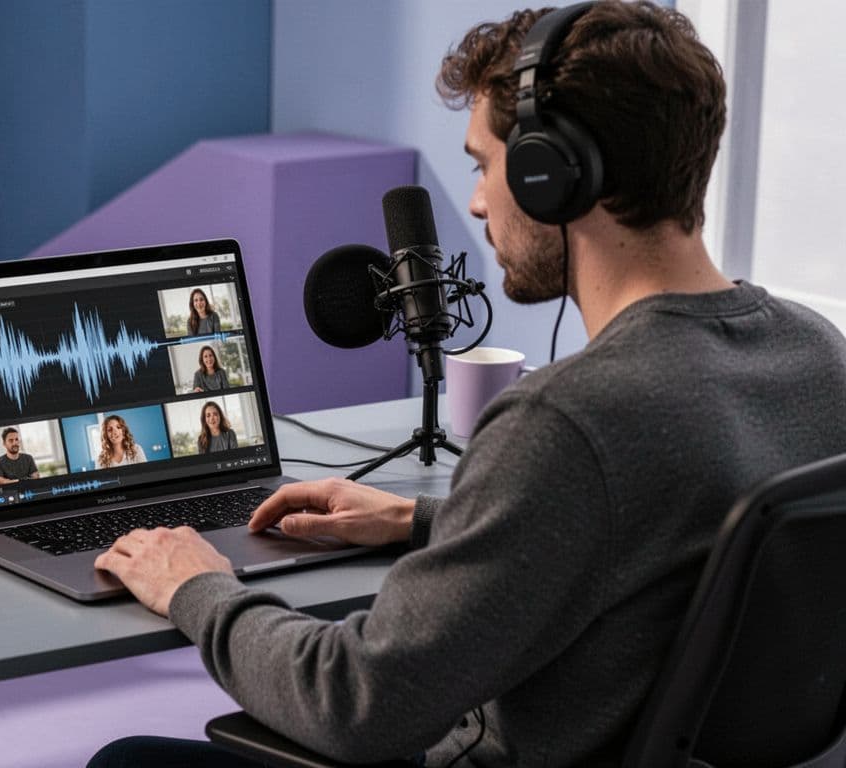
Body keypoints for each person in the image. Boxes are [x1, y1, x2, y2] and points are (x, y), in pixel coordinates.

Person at [89, 3, 846, 766]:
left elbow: (354, 703)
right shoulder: (818, 354)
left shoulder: (567, 419)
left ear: (554, 175)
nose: (478, 201)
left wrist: (196, 588)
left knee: (125, 760)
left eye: (485, 164)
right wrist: (427, 521)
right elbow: (658, 538)